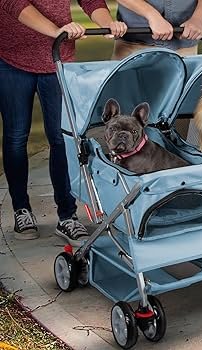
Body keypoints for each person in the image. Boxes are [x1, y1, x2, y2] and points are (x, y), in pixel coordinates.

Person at [0, 0, 127, 245]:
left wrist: (107, 23)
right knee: (16, 136)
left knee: (62, 137)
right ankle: (21, 210)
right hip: (12, 59)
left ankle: (67, 215)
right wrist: (55, 30)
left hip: (59, 57)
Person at [111, 0, 202, 138]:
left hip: (184, 44)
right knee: (126, 126)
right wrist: (152, 15)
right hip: (134, 44)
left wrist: (198, 18)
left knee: (177, 128)